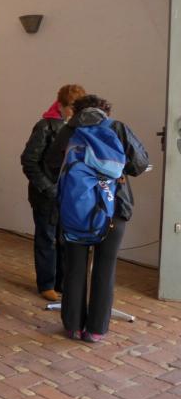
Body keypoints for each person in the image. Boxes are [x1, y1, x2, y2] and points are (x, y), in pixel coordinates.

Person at [46, 94, 148, 342]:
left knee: (74, 267)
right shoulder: (117, 128)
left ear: (76, 111)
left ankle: (73, 326)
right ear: (105, 111)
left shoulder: (68, 131)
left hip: (75, 209)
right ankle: (95, 330)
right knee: (105, 267)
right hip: (113, 207)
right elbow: (140, 164)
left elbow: (51, 164)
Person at [20, 84, 86, 301]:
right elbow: (29, 161)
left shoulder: (79, 128)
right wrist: (49, 188)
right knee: (47, 238)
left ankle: (62, 283)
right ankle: (46, 284)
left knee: (65, 238)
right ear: (60, 105)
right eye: (70, 109)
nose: (73, 114)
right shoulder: (45, 126)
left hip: (69, 194)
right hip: (46, 194)